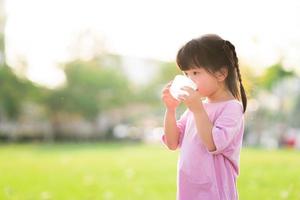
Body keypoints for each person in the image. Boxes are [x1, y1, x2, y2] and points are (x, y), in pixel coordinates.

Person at [161, 34, 247, 200]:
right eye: (186, 74)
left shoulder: (232, 108)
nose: (189, 80)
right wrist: (170, 110)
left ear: (221, 74)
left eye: (195, 72)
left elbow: (213, 143)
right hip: (188, 191)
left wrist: (198, 110)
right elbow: (172, 142)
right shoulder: (197, 107)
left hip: (215, 193)